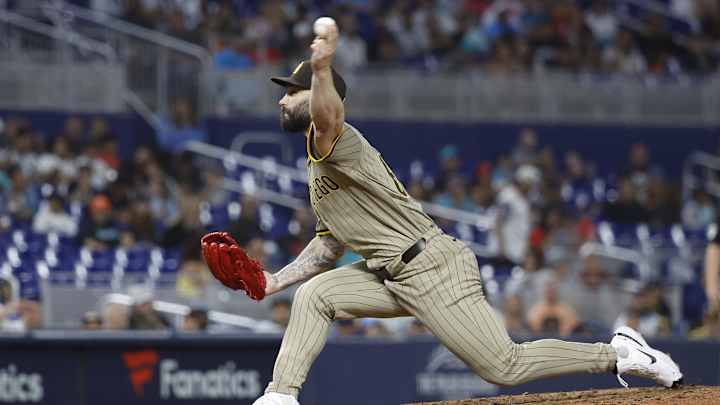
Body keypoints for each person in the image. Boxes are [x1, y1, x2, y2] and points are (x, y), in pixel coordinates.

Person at [203, 20, 683, 405]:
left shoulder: (336, 138)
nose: (282, 98)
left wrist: (324, 69)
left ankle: (619, 352)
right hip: (389, 272)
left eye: (292, 90)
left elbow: (328, 115)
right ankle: (280, 396)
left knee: (503, 367)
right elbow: (329, 244)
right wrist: (270, 282)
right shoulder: (318, 170)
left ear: (320, 95)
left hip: (433, 266)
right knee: (314, 296)